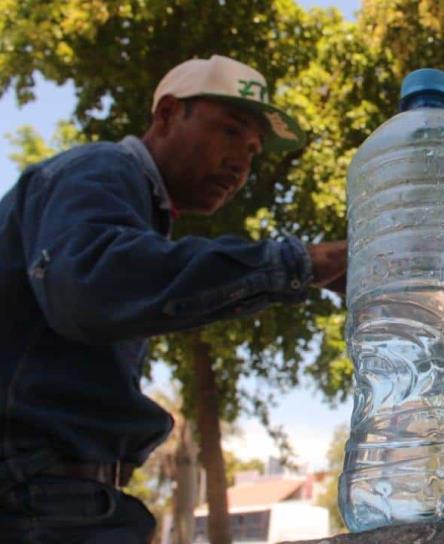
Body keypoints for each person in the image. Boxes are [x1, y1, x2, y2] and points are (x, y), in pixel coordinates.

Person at [0, 55, 347, 541]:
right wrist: (302, 263)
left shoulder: (136, 208)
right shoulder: (99, 170)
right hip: (34, 501)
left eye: (252, 150)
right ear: (165, 115)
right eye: (229, 131)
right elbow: (91, 286)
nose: (241, 164)